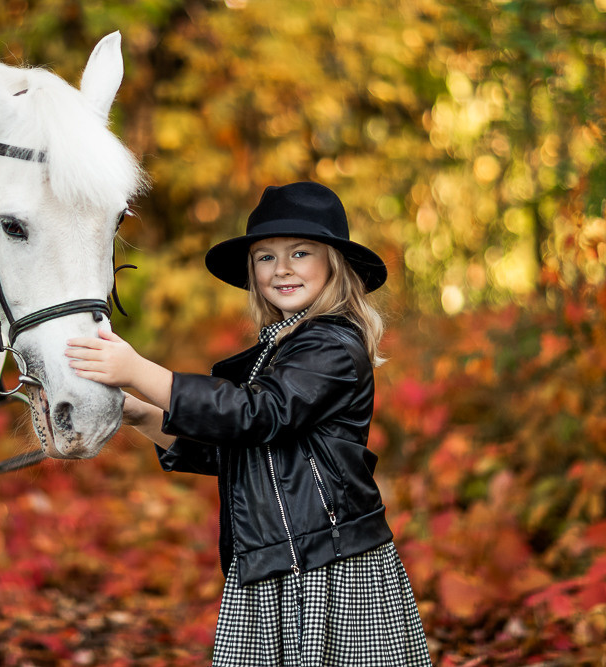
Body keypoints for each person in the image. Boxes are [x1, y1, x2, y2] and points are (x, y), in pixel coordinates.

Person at [65, 182, 431, 666]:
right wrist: (137, 411)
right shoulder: (276, 351)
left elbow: (257, 414)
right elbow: (233, 448)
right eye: (265, 257)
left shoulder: (334, 345)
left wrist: (139, 371)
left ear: (334, 264)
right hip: (272, 559)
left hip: (327, 565)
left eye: (300, 253)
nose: (282, 268)